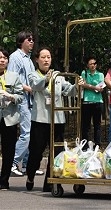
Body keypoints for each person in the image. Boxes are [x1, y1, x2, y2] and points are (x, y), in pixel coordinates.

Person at [25, 47, 84, 192]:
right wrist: (46, 79)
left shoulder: (58, 75)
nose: (46, 60)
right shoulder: (33, 75)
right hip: (40, 120)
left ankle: (50, 182)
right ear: (37, 59)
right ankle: (30, 176)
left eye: (48, 57)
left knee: (56, 152)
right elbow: (36, 86)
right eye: (43, 57)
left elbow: (68, 89)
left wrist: (77, 86)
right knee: (36, 152)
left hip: (57, 120)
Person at [7, 31, 44, 176]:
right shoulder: (15, 57)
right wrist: (28, 88)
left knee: (32, 133)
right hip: (22, 99)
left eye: (33, 40)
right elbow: (12, 79)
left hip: (30, 100)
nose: (32, 42)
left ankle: (29, 166)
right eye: (29, 40)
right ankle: (13, 163)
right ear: (21, 41)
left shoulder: (28, 59)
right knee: (26, 133)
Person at [0, 47, 24, 190]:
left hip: (9, 118)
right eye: (0, 57)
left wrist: (11, 96)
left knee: (8, 150)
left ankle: (4, 180)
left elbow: (21, 96)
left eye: (4, 58)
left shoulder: (14, 76)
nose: (2, 60)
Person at [81, 56, 105, 150]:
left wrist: (93, 87)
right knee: (86, 125)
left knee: (97, 124)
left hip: (98, 101)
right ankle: (85, 144)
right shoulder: (84, 73)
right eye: (91, 64)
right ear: (87, 65)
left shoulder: (100, 74)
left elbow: (101, 86)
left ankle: (97, 144)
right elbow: (83, 84)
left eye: (94, 63)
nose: (93, 65)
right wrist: (95, 87)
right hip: (87, 101)